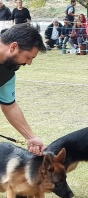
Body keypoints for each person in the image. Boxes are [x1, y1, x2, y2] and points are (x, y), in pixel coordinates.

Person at [0, 23, 46, 156]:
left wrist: (31, 137)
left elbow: (10, 106)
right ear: (13, 47)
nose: (29, 63)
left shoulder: (7, 73)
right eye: (28, 57)